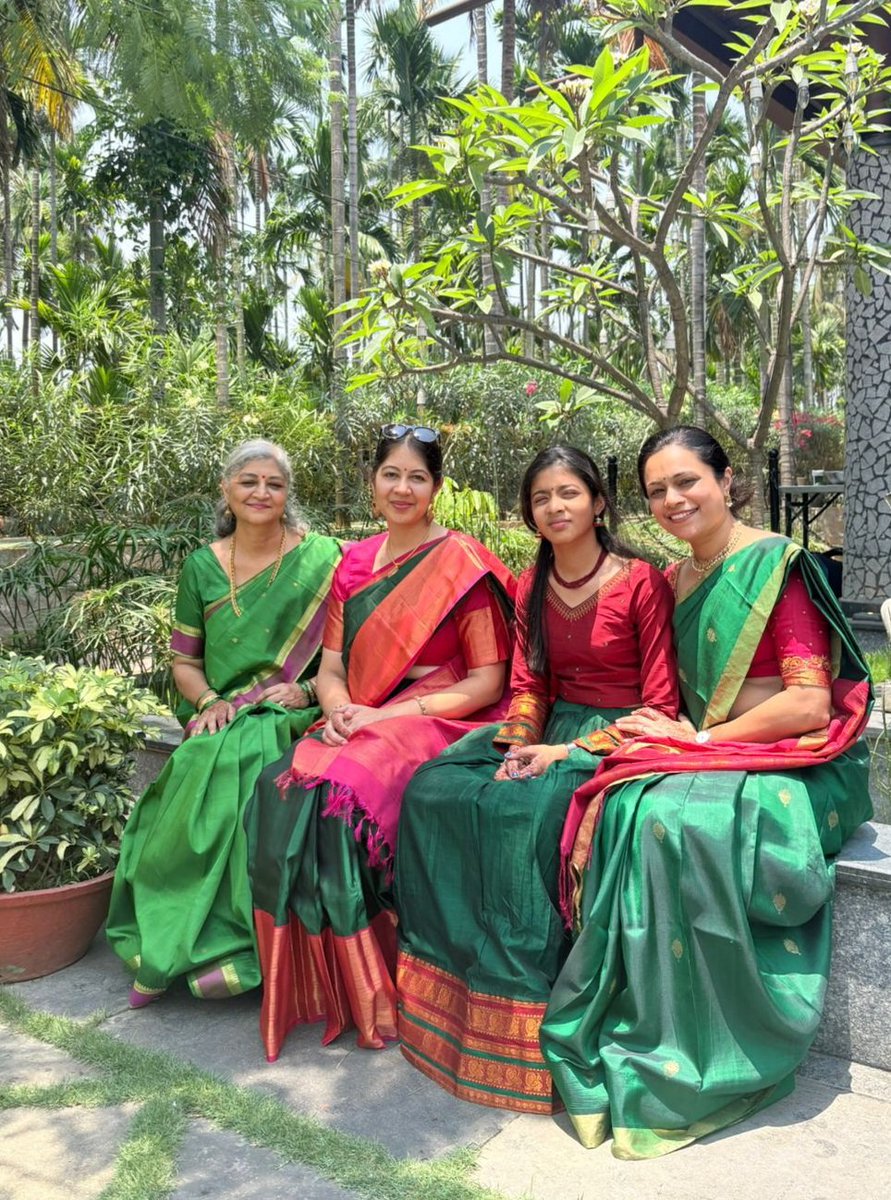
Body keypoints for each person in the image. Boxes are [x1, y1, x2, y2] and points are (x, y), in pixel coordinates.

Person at [542, 426, 873, 1159]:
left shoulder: (772, 566)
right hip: (711, 748)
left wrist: (698, 744)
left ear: (727, 481)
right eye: (656, 489)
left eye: (686, 481)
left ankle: (715, 1041)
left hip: (793, 755)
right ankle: (651, 1017)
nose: (671, 499)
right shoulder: (673, 580)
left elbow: (809, 704)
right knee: (625, 800)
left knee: (665, 815)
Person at [395, 446, 679, 1114]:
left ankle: (521, 1023)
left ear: (598, 502)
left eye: (568, 494)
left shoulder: (640, 582)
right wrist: (520, 742)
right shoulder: (531, 584)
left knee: (522, 815)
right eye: (541, 498)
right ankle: (447, 1000)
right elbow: (530, 684)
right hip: (544, 731)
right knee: (434, 789)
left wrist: (563, 755)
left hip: (617, 738)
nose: (555, 508)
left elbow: (661, 707)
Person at [244, 424, 516, 1061]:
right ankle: (312, 988)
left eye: (417, 477)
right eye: (391, 474)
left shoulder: (460, 563)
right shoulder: (355, 564)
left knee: (343, 795)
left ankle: (375, 987)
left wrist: (386, 717)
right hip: (361, 714)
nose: (402, 487)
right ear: (373, 484)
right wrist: (339, 711)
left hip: (439, 714)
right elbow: (330, 667)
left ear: (436, 489)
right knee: (277, 787)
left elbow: (486, 681)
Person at [106, 439, 342, 1007]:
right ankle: (166, 941)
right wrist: (211, 700)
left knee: (250, 762)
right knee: (193, 767)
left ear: (288, 495)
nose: (262, 493)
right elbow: (184, 661)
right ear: (226, 490)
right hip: (224, 709)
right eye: (249, 481)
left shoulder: (325, 558)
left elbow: (351, 654)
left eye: (275, 484)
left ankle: (241, 949)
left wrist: (308, 687)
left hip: (295, 706)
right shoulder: (201, 566)